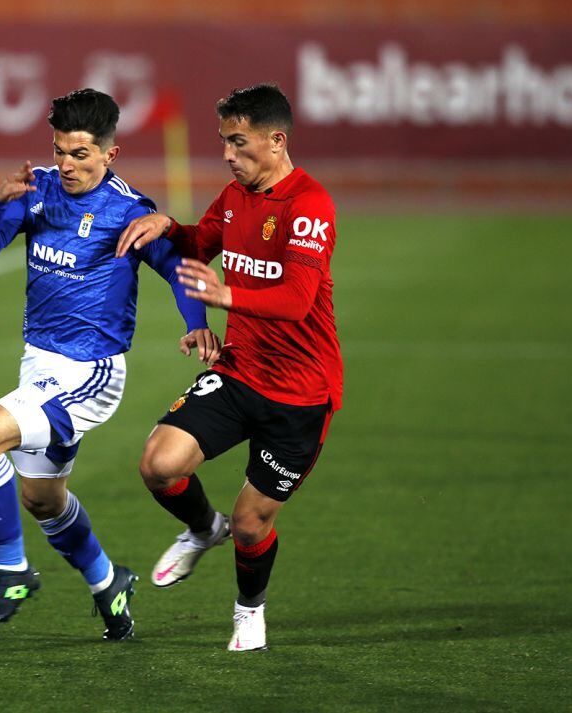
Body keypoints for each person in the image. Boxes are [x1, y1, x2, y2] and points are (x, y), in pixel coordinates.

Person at [0, 88, 221, 641]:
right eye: (60, 151)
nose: (67, 165)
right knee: (42, 500)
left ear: (110, 154)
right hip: (39, 369)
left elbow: (176, 267)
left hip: (90, 374)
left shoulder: (128, 210)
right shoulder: (40, 193)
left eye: (80, 154)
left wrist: (194, 321)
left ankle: (12, 570)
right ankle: (109, 583)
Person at [115, 84, 343, 651]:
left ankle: (249, 609)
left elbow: (296, 299)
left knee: (251, 524)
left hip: (300, 394)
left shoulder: (308, 205)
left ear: (275, 140)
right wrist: (169, 226)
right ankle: (201, 529)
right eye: (223, 141)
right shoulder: (235, 195)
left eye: (237, 143)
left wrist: (226, 299)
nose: (226, 154)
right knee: (158, 465)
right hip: (240, 372)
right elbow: (199, 244)